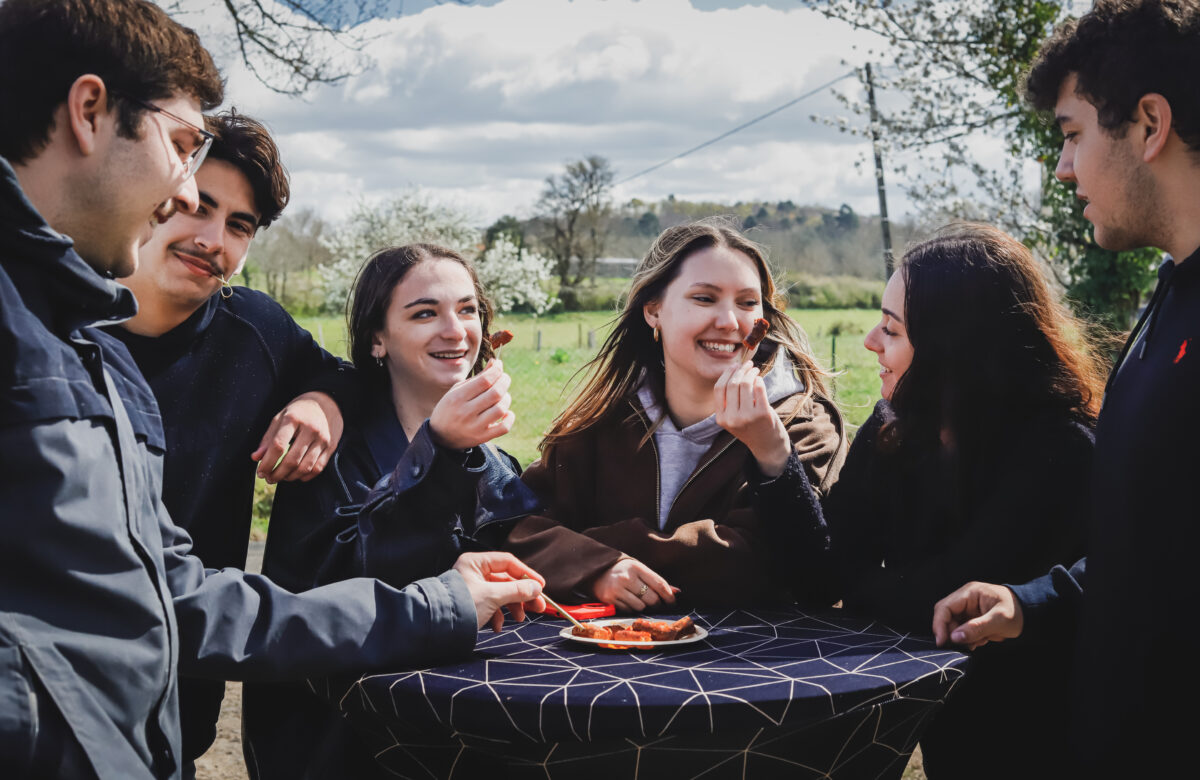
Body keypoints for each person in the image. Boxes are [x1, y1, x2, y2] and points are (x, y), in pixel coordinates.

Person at [0, 2, 542, 777]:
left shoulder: (93, 339)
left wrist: (321, 400)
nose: (189, 200)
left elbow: (169, 596)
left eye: (240, 223)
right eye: (181, 146)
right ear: (89, 112)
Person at [930, 1, 1200, 774]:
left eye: (1074, 133)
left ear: (1150, 124)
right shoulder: (1171, 294)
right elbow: (1157, 540)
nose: (1062, 167)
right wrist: (1035, 603)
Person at [775, 224, 1103, 778]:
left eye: (892, 329)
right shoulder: (893, 428)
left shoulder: (1061, 449)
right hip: (949, 737)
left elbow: (945, 603)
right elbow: (823, 576)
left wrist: (862, 587)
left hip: (1045, 744)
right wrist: (770, 457)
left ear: (954, 349)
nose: (871, 343)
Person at [101, 110, 361, 772]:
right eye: (199, 208)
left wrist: (320, 403)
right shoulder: (53, 328)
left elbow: (349, 380)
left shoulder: (257, 331)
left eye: (239, 226)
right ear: (159, 196)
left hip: (176, 718)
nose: (213, 238)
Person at [243, 243, 543, 779]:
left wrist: (598, 564)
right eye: (425, 312)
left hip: (461, 736)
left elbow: (529, 548)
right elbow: (357, 580)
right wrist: (440, 449)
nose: (455, 330)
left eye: (468, 309)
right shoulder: (328, 452)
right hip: (343, 743)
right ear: (377, 339)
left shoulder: (495, 462)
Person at [505, 219, 846, 609]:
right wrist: (598, 568)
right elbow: (519, 530)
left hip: (756, 662)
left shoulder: (803, 424)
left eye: (748, 303)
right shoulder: (601, 421)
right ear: (653, 311)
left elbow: (760, 566)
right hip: (614, 661)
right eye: (704, 298)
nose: (730, 321)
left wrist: (595, 545)